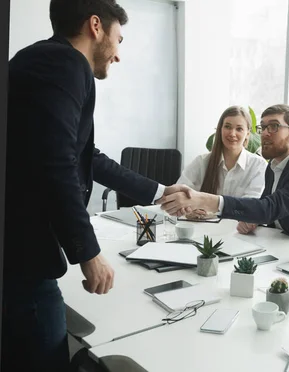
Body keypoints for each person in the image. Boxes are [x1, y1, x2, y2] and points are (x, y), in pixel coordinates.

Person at [3, 1, 182, 370]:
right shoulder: (66, 64)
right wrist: (88, 254)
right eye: (119, 39)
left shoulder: (35, 59)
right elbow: (56, 163)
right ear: (95, 26)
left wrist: (160, 191)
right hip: (23, 257)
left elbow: (87, 156)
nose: (117, 55)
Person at [160, 104, 289, 238]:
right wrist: (252, 220)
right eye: (263, 127)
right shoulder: (274, 165)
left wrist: (204, 200)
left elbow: (269, 208)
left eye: (274, 126)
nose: (265, 133)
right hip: (280, 242)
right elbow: (266, 211)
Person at [177, 106, 266, 218]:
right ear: (220, 130)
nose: (232, 133)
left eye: (239, 129)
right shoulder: (202, 161)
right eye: (227, 127)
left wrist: (211, 211)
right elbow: (179, 193)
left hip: (239, 232)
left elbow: (250, 208)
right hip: (202, 229)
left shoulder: (258, 166)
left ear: (248, 134)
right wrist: (188, 210)